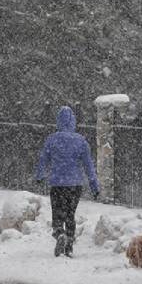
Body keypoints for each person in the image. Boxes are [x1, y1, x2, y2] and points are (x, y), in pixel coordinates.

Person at [36, 106, 100, 257]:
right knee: (70, 214)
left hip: (57, 184)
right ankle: (69, 246)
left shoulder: (52, 139)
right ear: (73, 122)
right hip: (75, 185)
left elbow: (43, 160)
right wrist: (94, 186)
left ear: (58, 121)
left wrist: (39, 176)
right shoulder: (81, 141)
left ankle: (59, 233)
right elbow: (89, 165)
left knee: (57, 214)